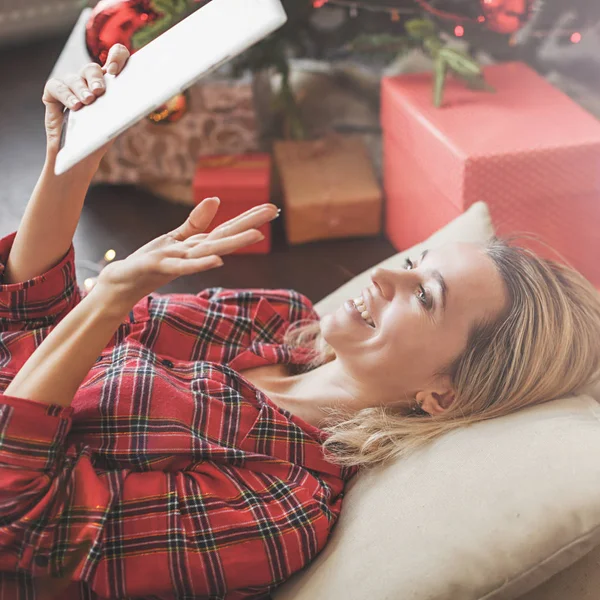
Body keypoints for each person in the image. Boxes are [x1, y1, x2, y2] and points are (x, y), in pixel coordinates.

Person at [1, 44, 599, 600]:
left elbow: (21, 513)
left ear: (443, 393)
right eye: (412, 263)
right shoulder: (269, 320)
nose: (386, 278)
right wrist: (74, 154)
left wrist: (106, 300)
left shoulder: (283, 506)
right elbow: (34, 328)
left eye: (424, 296)